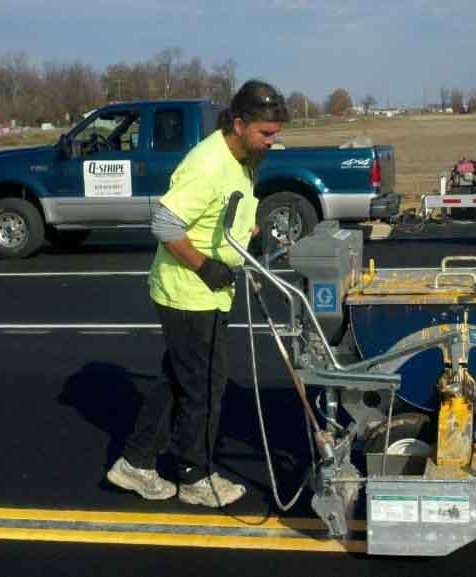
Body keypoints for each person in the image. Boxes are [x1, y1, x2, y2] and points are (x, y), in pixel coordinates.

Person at [106, 80, 289, 507]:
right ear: (239, 124)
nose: (271, 141)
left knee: (179, 379)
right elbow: (166, 225)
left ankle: (134, 463)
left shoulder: (241, 157)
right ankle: (195, 476)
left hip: (208, 291)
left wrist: (251, 233)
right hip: (190, 292)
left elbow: (222, 213)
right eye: (265, 133)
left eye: (275, 133)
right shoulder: (207, 164)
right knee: (206, 385)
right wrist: (205, 266)